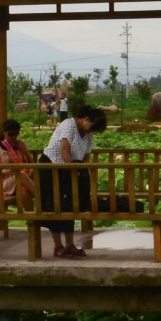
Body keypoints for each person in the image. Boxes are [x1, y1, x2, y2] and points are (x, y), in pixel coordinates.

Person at [39, 104, 107, 259]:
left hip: (70, 169)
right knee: (55, 206)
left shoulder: (88, 134)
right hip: (52, 167)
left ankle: (70, 245)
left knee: (70, 205)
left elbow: (86, 156)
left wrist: (81, 171)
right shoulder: (68, 125)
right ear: (85, 119)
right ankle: (58, 246)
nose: (92, 130)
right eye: (92, 126)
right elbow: (64, 151)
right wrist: (73, 171)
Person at [0, 118, 35, 215]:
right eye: (10, 134)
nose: (13, 137)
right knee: (21, 174)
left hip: (23, 179)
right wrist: (8, 170)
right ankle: (43, 198)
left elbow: (32, 163)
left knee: (24, 193)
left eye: (16, 134)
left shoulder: (21, 145)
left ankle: (32, 222)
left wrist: (29, 169)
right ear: (4, 133)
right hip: (6, 181)